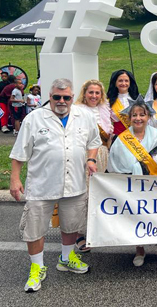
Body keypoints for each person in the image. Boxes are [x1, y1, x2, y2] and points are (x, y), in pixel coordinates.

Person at [9, 78, 101, 292]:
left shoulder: (84, 116)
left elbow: (94, 142)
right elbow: (19, 152)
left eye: (66, 97)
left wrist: (91, 159)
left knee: (71, 224)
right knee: (35, 228)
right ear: (49, 96)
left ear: (72, 97)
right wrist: (15, 179)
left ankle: (67, 258)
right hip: (42, 184)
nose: (61, 101)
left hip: (75, 182)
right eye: (56, 97)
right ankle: (37, 267)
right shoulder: (34, 118)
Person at [107, 95, 157, 267]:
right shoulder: (121, 140)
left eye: (142, 114)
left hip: (156, 183)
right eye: (134, 115)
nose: (138, 118)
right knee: (136, 217)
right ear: (129, 118)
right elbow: (113, 164)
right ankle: (139, 249)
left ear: (148, 117)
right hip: (132, 185)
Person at [73, 80, 113, 253]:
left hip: (102, 154)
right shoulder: (77, 110)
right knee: (83, 194)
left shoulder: (105, 109)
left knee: (97, 194)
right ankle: (78, 234)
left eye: (97, 93)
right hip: (85, 155)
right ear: (84, 93)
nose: (94, 96)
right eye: (91, 92)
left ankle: (93, 231)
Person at [107, 69, 139, 137]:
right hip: (117, 137)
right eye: (120, 81)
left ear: (130, 83)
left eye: (126, 81)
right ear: (115, 83)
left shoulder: (137, 99)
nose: (123, 83)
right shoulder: (108, 102)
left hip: (136, 137)